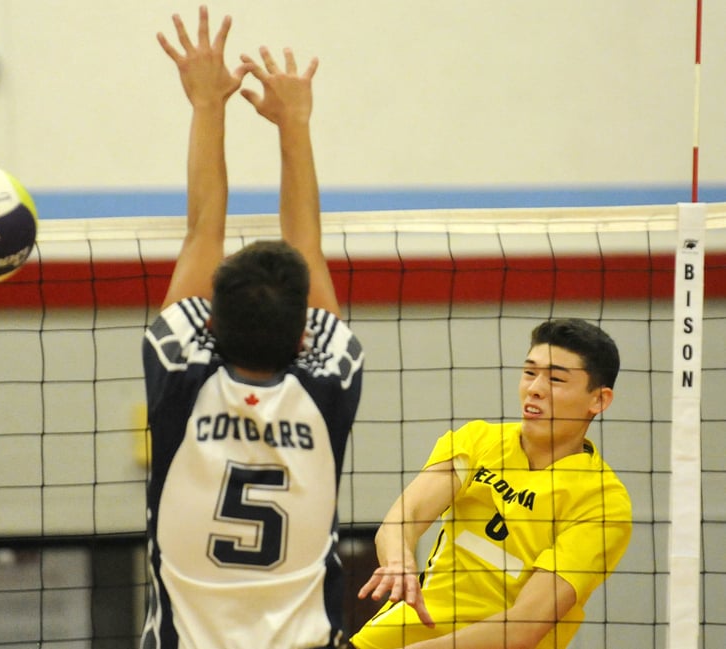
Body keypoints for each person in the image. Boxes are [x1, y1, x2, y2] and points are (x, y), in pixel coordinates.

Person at [140, 7, 363, 649]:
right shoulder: (328, 379)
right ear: (303, 338)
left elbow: (201, 229)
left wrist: (207, 106)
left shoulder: (179, 368)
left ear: (208, 319)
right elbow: (309, 250)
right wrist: (294, 124)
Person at [350, 318, 632, 649]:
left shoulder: (604, 503)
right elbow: (404, 516)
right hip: (400, 634)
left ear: (598, 400)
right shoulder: (478, 441)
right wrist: (399, 560)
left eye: (555, 379)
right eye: (529, 372)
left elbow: (523, 628)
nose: (535, 388)